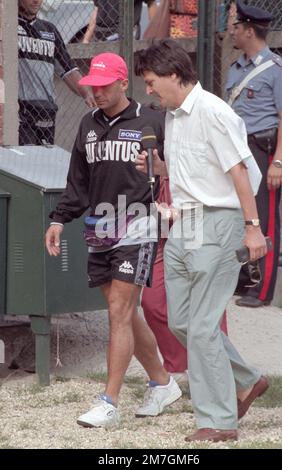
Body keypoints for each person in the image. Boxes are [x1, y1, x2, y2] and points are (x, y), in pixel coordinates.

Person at [135, 38, 269, 443]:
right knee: (180, 321)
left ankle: (218, 421)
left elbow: (239, 173)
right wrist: (160, 167)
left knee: (204, 326)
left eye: (152, 81)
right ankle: (246, 380)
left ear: (175, 75)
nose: (148, 90)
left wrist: (252, 226)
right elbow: (194, 169)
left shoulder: (214, 112)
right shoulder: (174, 116)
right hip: (184, 222)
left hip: (220, 221)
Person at [45, 51, 182, 429]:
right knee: (123, 310)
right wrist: (59, 219)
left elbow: (182, 169)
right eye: (93, 86)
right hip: (98, 228)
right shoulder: (87, 124)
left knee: (119, 311)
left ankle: (109, 401)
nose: (98, 92)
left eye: (105, 85)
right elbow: (79, 182)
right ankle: (162, 382)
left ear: (124, 82)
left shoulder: (153, 119)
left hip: (138, 224)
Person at [226, 0, 282, 308]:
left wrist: (279, 161)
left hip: (262, 149)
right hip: (238, 150)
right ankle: (243, 278)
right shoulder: (235, 68)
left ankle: (263, 288)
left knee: (265, 219)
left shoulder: (279, 70)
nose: (231, 32)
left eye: (235, 27)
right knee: (239, 214)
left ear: (249, 30)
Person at [141, 176, 229, 382]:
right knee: (152, 302)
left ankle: (219, 370)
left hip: (202, 234)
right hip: (165, 237)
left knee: (206, 308)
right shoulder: (157, 155)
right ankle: (176, 366)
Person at [18, 0, 95, 145]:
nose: (36, 1)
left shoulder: (49, 30)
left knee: (43, 162)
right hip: (19, 113)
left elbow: (68, 69)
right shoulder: (8, 28)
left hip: (46, 111)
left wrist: (87, 94)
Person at [82, 0, 158, 43]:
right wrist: (86, 39)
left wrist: (156, 35)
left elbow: (151, 4)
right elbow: (97, 9)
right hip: (100, 36)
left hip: (124, 35)